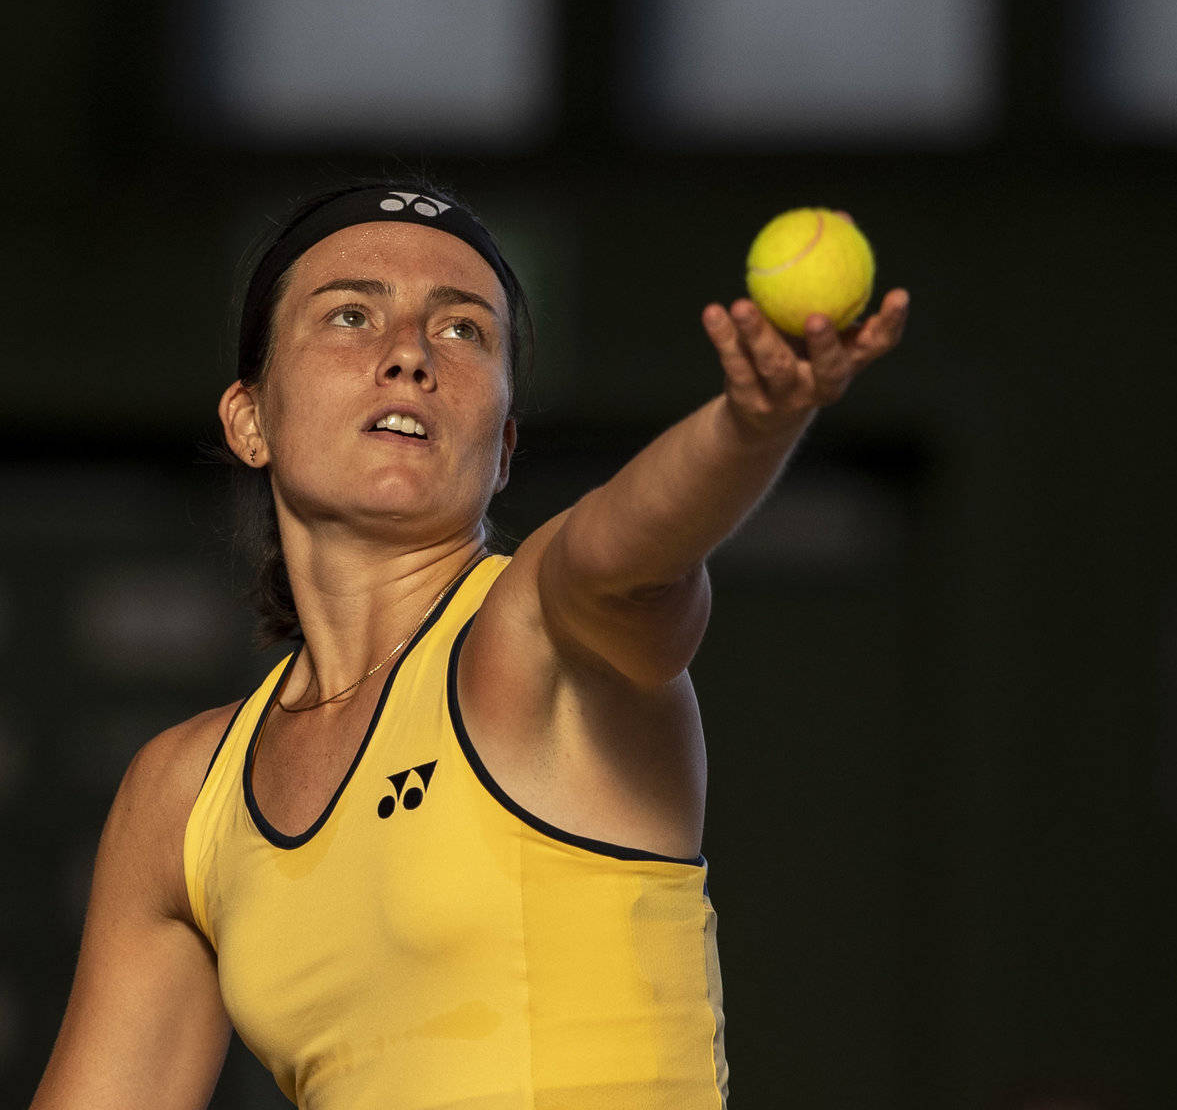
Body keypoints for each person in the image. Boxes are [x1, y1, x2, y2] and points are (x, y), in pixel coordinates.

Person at [31, 179, 908, 1109]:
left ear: (503, 448)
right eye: (351, 315)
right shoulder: (181, 798)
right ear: (251, 419)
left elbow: (625, 552)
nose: (409, 352)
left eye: (462, 331)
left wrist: (750, 424)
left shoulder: (534, 636)